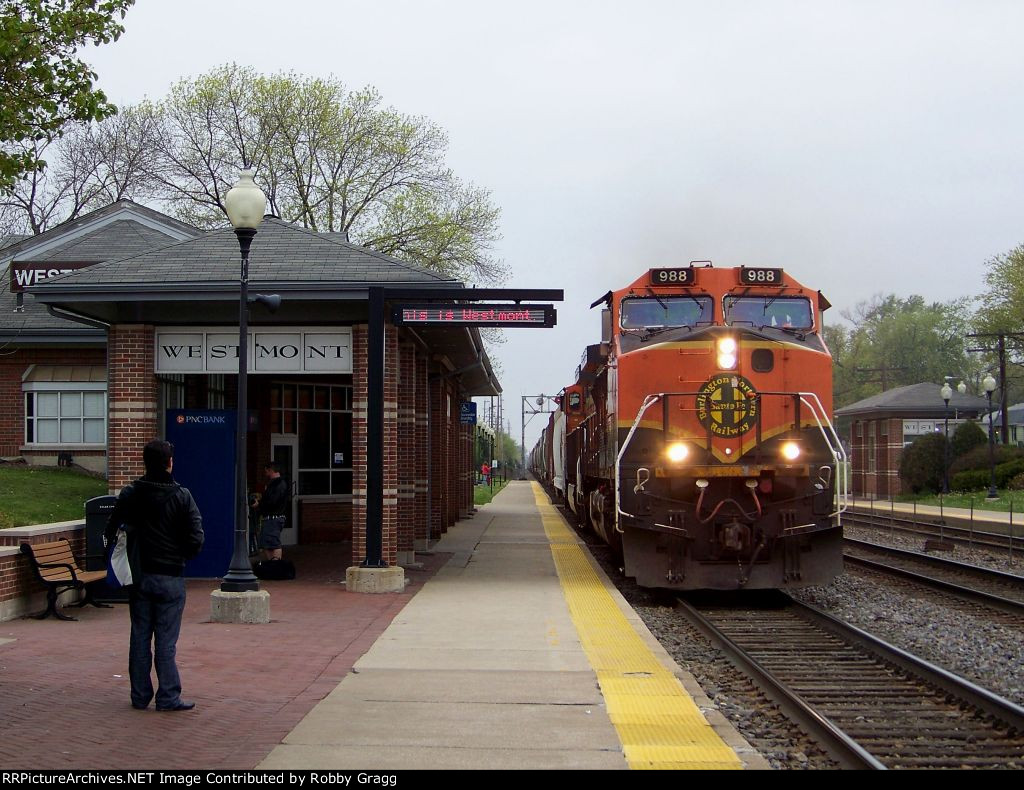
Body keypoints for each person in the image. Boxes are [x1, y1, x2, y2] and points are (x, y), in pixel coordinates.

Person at [105, 439, 203, 712]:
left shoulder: (130, 493)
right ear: (170, 463)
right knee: (166, 641)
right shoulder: (182, 496)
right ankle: (168, 696)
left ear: (144, 462)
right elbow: (196, 538)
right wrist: (181, 555)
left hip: (139, 575)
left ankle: (139, 696)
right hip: (170, 575)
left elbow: (110, 531)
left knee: (139, 636)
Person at [257, 462, 289, 561]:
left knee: (274, 543)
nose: (265, 473)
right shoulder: (275, 484)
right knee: (266, 543)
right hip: (270, 518)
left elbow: (272, 501)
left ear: (271, 470)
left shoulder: (278, 484)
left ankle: (276, 565)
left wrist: (260, 504)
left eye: (266, 471)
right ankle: (272, 563)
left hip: (274, 518)